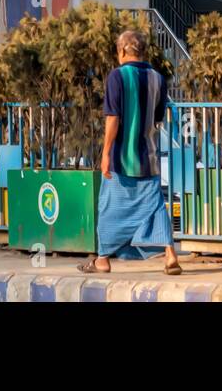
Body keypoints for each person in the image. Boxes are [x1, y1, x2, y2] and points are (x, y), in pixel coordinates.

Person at [77, 29, 181, 275]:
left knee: (109, 206)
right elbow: (157, 118)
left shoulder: (117, 76)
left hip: (121, 159)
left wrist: (105, 153)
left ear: (122, 51)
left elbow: (113, 118)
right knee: (155, 206)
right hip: (148, 157)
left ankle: (102, 259)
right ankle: (170, 255)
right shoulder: (157, 78)